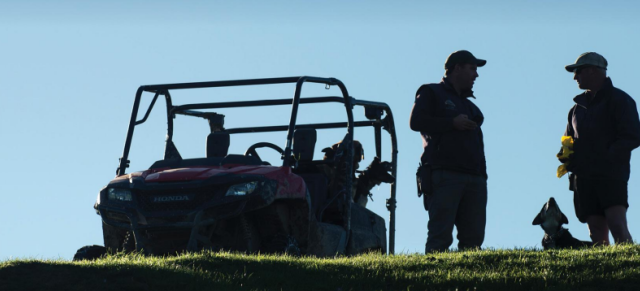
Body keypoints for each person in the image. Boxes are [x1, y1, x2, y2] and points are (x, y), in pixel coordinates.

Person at [410, 50, 488, 253]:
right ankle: (432, 282)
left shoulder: (472, 108)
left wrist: (482, 177)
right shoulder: (431, 92)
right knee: (440, 237)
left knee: (473, 242)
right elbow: (416, 122)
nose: (476, 75)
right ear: (457, 68)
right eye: (472, 69)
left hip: (475, 179)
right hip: (444, 175)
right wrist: (451, 122)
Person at [560, 52, 640, 245]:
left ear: (593, 71)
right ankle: (605, 269)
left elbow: (633, 136)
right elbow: (568, 139)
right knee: (594, 228)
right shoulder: (576, 109)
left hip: (610, 174)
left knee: (617, 224)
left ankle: (630, 267)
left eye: (578, 71)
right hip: (583, 176)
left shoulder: (620, 100)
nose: (575, 77)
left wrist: (607, 156)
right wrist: (565, 155)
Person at [321, 140, 394, 207]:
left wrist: (368, 179)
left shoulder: (344, 175)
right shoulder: (329, 172)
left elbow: (354, 198)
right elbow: (348, 203)